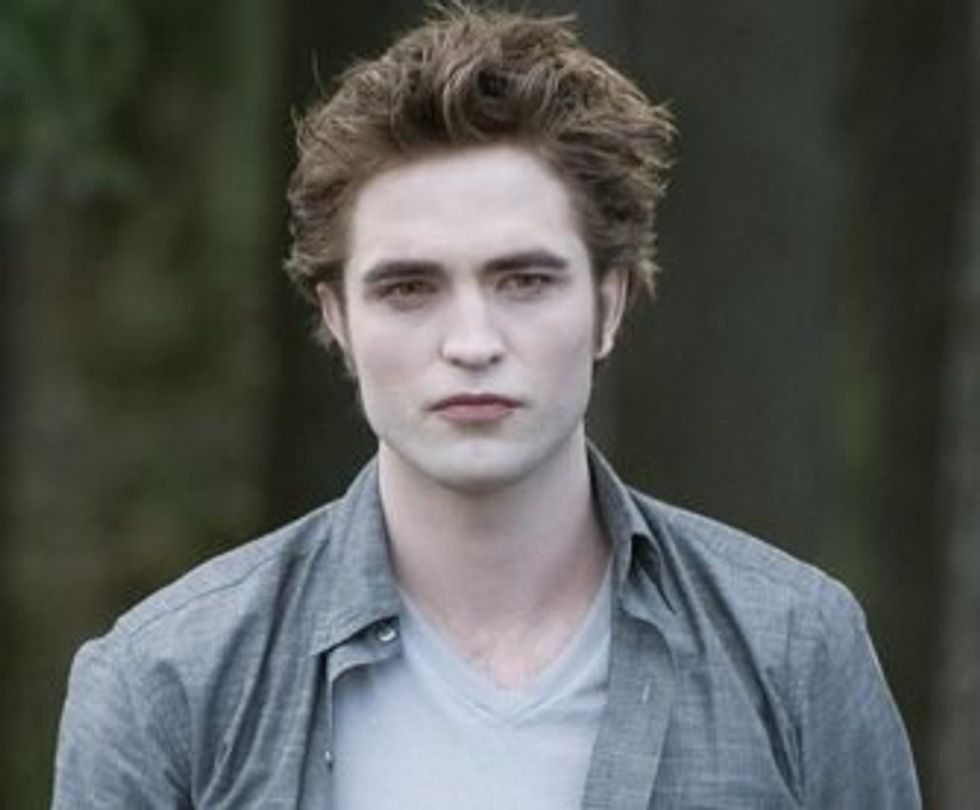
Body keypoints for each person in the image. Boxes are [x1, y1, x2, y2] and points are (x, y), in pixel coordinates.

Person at [52, 4, 920, 808]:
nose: (471, 341)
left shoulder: (793, 651)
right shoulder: (166, 683)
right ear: (337, 319)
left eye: (525, 280)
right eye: (409, 288)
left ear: (609, 304)